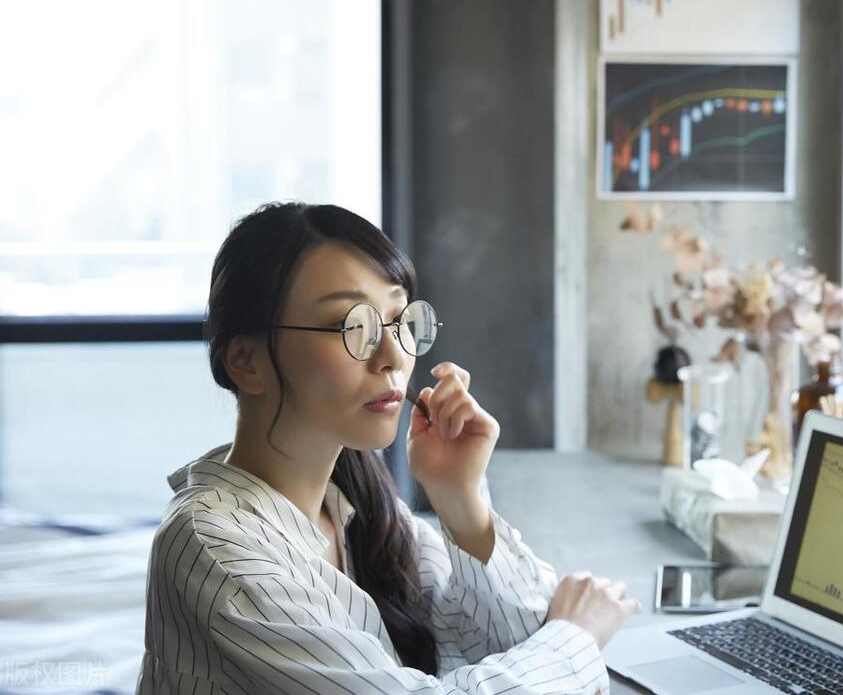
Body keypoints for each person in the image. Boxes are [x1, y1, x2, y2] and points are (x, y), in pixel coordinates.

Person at [137, 201, 640, 694]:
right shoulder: (214, 549)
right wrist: (578, 638)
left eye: (400, 321)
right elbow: (543, 657)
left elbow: (506, 641)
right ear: (246, 361)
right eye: (349, 326)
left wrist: (460, 500)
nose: (394, 355)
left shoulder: (354, 500)